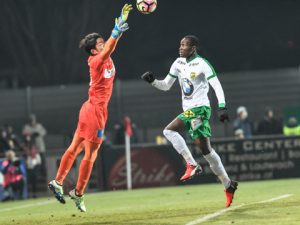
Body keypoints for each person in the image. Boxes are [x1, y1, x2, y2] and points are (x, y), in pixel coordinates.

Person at [48, 4, 133, 212]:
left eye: (105, 42)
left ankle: (58, 182)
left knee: (75, 147)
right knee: (90, 155)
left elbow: (112, 47)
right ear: (94, 50)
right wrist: (116, 32)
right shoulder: (95, 60)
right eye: (101, 43)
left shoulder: (104, 55)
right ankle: (78, 194)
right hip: (95, 112)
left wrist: (118, 31)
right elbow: (109, 49)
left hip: (89, 109)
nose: (105, 45)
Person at [141, 35, 238, 208]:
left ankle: (192, 164)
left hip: (200, 109)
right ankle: (228, 184)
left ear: (193, 48)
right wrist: (153, 81)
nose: (181, 48)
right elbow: (166, 85)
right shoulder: (178, 63)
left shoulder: (202, 64)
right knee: (206, 151)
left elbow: (216, 85)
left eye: (185, 45)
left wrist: (222, 107)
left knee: (168, 131)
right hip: (190, 111)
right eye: (180, 44)